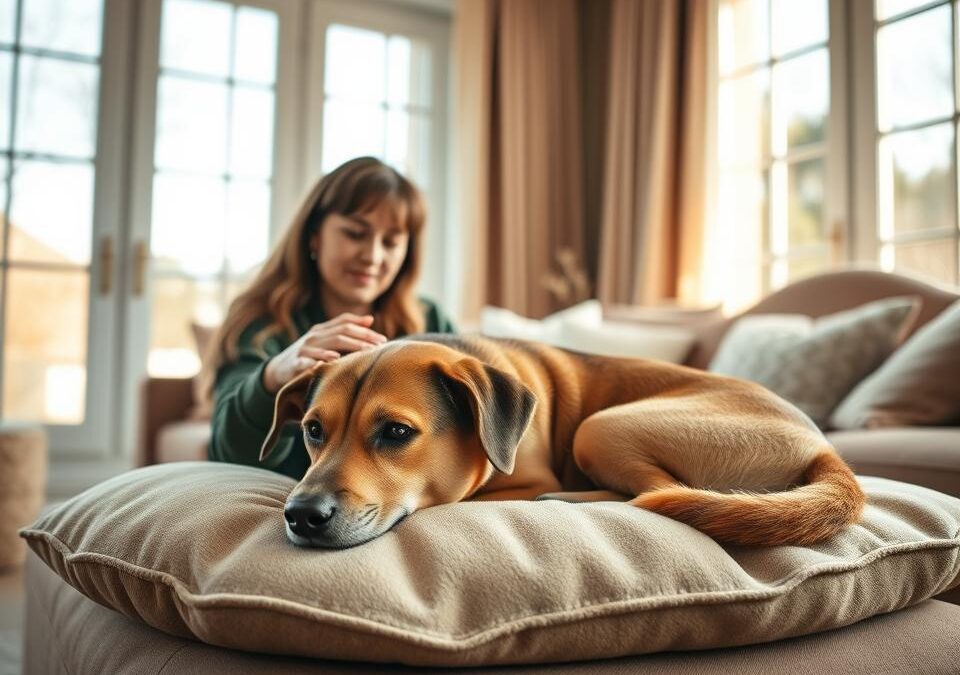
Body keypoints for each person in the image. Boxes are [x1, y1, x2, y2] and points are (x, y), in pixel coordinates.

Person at [207, 157, 456, 479]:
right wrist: (271, 377)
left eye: (391, 242)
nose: (372, 256)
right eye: (355, 234)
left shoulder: (429, 319)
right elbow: (226, 453)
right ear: (314, 235)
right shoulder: (261, 322)